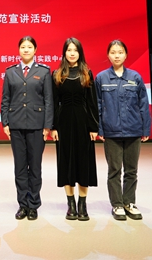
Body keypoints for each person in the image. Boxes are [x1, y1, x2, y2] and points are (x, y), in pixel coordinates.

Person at [96, 39, 151, 221]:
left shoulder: (135, 77)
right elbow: (97, 106)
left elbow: (143, 105)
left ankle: (129, 202)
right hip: (111, 131)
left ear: (126, 55)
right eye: (113, 52)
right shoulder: (101, 78)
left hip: (133, 130)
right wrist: (100, 129)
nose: (117, 55)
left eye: (120, 52)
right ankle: (117, 204)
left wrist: (145, 129)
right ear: (108, 55)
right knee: (114, 170)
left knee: (131, 170)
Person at [1, 36, 53, 221]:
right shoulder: (11, 72)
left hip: (37, 125)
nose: (26, 50)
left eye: (29, 47)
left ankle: (34, 204)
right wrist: (5, 122)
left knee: (35, 167)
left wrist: (47, 125)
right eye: (23, 47)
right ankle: (23, 204)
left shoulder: (44, 71)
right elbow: (5, 99)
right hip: (16, 124)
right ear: (18, 50)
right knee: (20, 167)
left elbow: (48, 100)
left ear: (35, 50)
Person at [50, 38, 100, 221]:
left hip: (83, 123)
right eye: (69, 50)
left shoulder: (87, 73)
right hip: (63, 124)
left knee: (83, 162)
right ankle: (70, 204)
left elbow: (92, 102)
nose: (72, 53)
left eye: (75, 50)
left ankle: (82, 204)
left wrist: (93, 127)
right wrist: (53, 127)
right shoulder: (57, 74)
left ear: (80, 53)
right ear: (64, 52)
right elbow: (54, 103)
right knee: (66, 162)